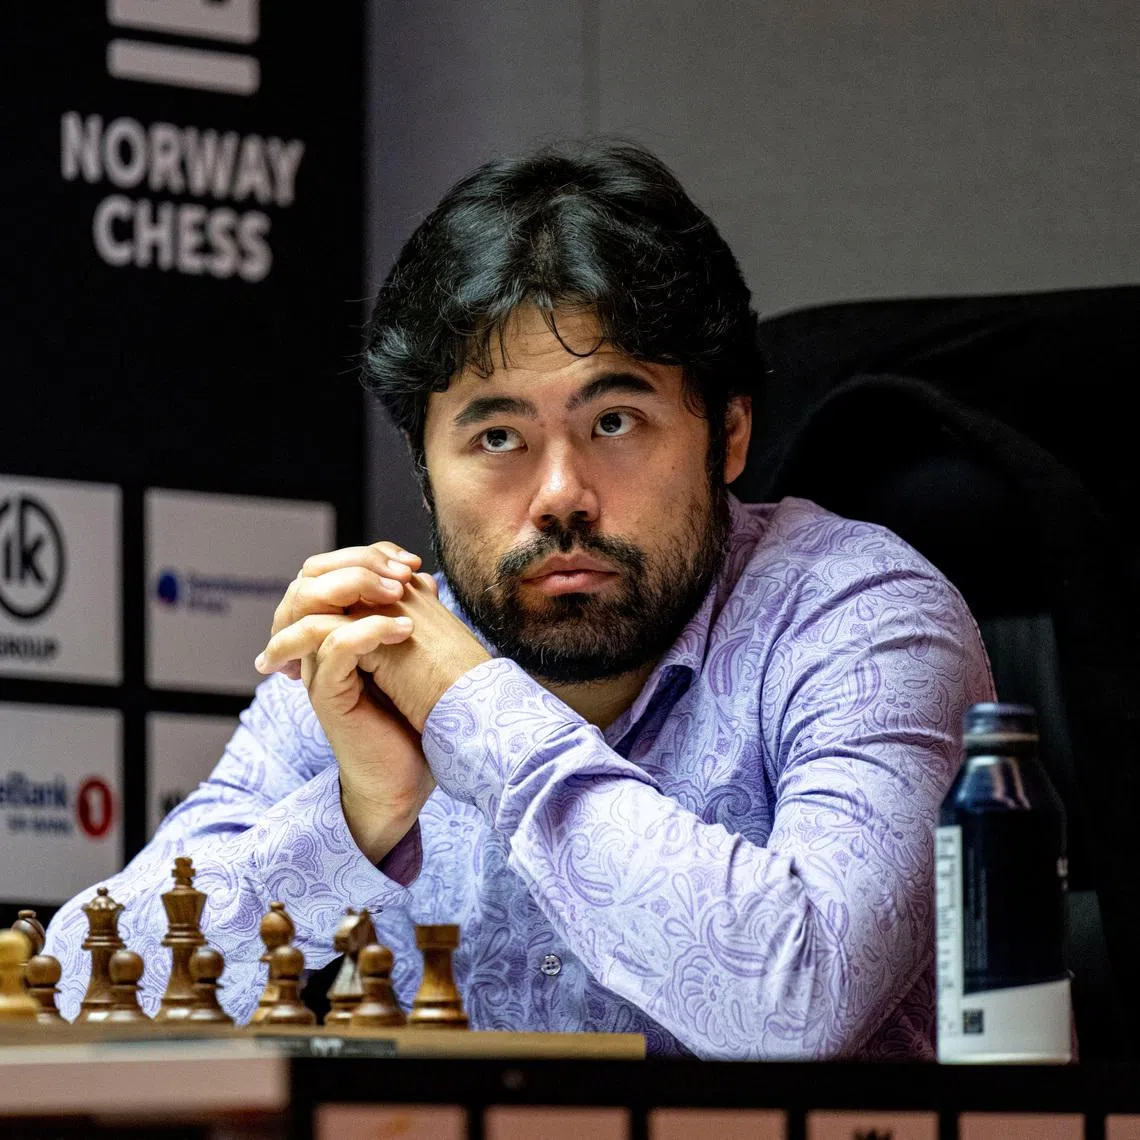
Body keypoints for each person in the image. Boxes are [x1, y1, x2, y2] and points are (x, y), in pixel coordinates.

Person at [45, 140, 993, 1059]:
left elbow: (800, 1000)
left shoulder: (866, 618)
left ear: (729, 434)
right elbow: (75, 1002)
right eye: (497, 437)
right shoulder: (374, 649)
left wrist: (474, 710)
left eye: (615, 421)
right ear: (424, 473)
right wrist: (352, 815)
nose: (560, 495)